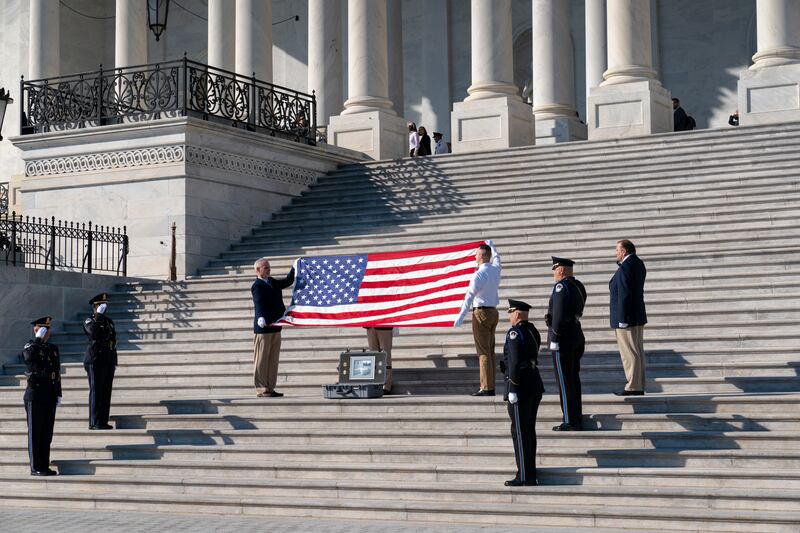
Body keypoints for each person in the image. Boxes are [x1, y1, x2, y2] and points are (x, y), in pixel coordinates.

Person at [500, 299, 543, 487]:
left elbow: (515, 362)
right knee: (528, 431)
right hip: (534, 384)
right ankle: (529, 472)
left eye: (510, 313)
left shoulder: (515, 332)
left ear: (516, 314)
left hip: (521, 387)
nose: (509, 316)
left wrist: (513, 388)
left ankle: (525, 476)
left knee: (520, 432)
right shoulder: (533, 330)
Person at [455, 241, 502, 396]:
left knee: (483, 352)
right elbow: (497, 258)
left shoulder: (479, 274)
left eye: (476, 253)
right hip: (493, 312)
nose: (474, 256)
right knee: (489, 350)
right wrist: (492, 246)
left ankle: (486, 388)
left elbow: (469, 296)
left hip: (481, 314)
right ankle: (490, 385)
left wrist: (460, 317)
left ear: (481, 256)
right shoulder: (495, 270)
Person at [546, 257, 587, 431]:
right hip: (576, 333)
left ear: (561, 270)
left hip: (563, 338)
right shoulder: (579, 286)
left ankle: (569, 420)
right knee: (573, 379)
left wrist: (554, 337)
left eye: (555, 269)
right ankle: (576, 416)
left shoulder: (561, 287)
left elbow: (559, 314)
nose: (554, 273)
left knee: (564, 381)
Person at [23, 316, 61, 476]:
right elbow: (29, 357)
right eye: (43, 329)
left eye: (48, 329)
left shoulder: (53, 348)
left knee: (47, 432)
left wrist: (58, 393)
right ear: (36, 330)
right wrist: (38, 340)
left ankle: (44, 465)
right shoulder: (30, 346)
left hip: (50, 393)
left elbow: (57, 372)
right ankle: (35, 467)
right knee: (35, 432)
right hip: (35, 394)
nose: (47, 333)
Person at [252, 257, 295, 397]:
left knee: (273, 359)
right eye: (266, 268)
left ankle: (270, 387)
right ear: (258, 270)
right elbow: (258, 302)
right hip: (264, 327)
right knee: (262, 360)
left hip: (276, 326)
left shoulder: (272, 282)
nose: (269, 270)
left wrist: (295, 267)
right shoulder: (257, 285)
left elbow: (287, 281)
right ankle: (261, 388)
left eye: (269, 268)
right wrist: (260, 317)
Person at [610, 240, 648, 396]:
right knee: (637, 351)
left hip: (626, 317)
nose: (615, 253)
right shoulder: (638, 263)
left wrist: (623, 318)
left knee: (629, 353)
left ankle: (633, 386)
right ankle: (638, 384)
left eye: (617, 250)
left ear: (624, 251)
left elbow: (625, 294)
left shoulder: (626, 266)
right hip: (637, 315)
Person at [83, 293, 117, 430]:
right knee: (96, 390)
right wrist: (99, 316)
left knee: (106, 391)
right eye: (101, 305)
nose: (104, 307)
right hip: (95, 359)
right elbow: (93, 333)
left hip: (108, 358)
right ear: (95, 306)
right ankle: (94, 421)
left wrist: (114, 360)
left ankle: (103, 420)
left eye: (105, 305)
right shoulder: (89, 321)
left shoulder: (108, 321)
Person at [365, 327, 394, 393]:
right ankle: (375, 383)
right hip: (370, 326)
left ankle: (387, 385)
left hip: (384, 326)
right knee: (373, 356)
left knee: (386, 356)